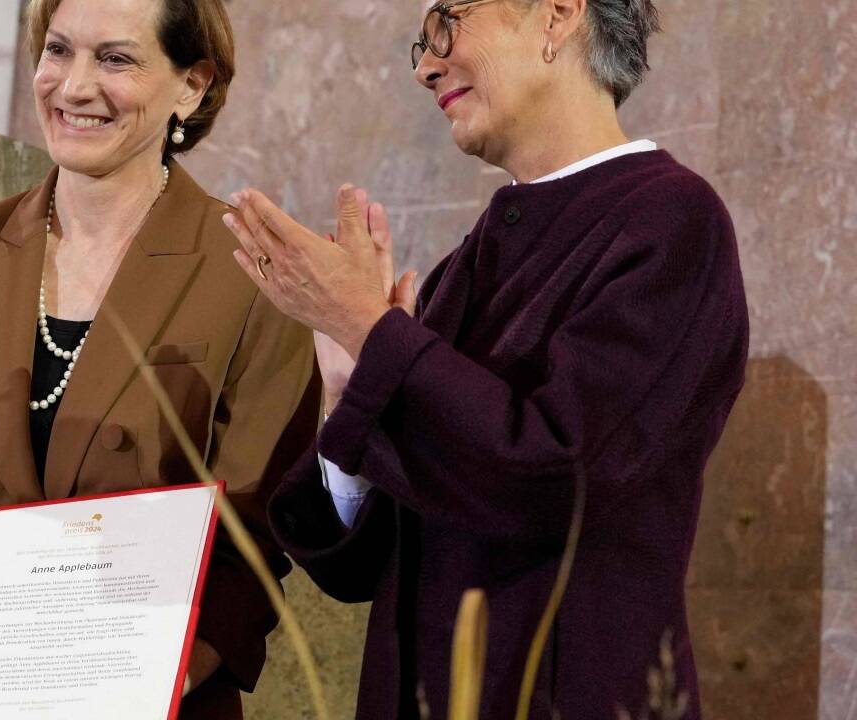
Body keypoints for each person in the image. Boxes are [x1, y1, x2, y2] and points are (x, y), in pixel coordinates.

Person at [221, 0, 748, 717]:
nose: (425, 67)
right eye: (421, 43)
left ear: (557, 14)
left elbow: (559, 475)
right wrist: (348, 394)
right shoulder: (466, 265)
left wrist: (370, 328)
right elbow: (359, 567)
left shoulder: (671, 221)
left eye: (447, 21)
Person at [0, 0, 319, 716]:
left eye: (115, 59)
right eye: (58, 51)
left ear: (192, 85)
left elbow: (254, 543)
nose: (74, 86)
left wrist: (135, 686)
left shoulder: (254, 269)